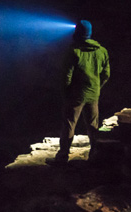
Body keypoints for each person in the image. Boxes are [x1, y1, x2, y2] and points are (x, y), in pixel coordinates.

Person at [47, 20, 110, 166]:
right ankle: (95, 155)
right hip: (93, 93)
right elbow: (106, 74)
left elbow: (66, 77)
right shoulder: (102, 51)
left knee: (69, 124)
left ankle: (63, 157)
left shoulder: (74, 51)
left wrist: (65, 93)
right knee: (93, 125)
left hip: (75, 95)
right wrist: (97, 87)